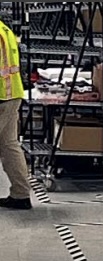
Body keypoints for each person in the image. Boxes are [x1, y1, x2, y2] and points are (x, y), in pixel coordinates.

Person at [0, 15, 29, 210]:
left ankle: (21, 194)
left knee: (9, 145)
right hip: (11, 94)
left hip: (2, 96)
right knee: (9, 144)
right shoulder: (4, 29)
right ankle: (20, 194)